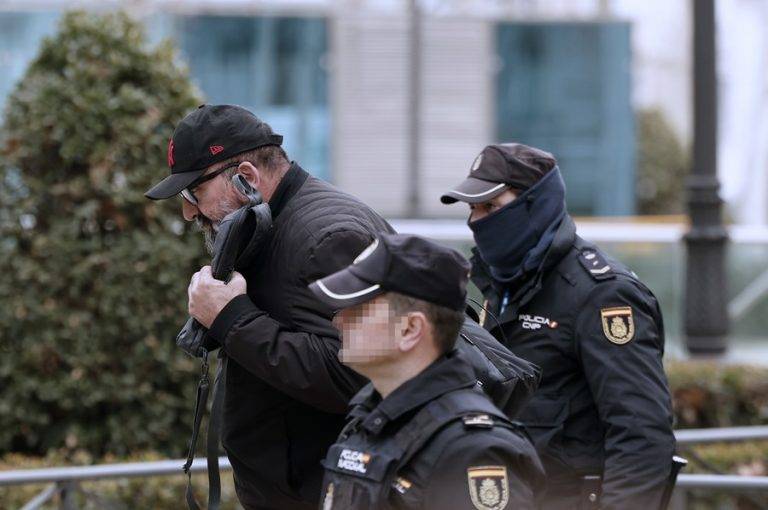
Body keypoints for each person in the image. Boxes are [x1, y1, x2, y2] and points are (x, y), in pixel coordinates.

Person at [145, 104, 393, 509]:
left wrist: (232, 318)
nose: (189, 211)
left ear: (246, 178)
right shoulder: (269, 223)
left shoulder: (327, 237)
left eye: (194, 192)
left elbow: (360, 376)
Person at [440, 143, 676, 510]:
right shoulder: (497, 286)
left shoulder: (602, 294)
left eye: (491, 207)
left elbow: (641, 435)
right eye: (473, 209)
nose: (476, 221)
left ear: (535, 205)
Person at [308, 233, 545, 510]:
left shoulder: (473, 450)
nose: (339, 320)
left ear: (410, 329)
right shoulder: (369, 419)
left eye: (359, 309)